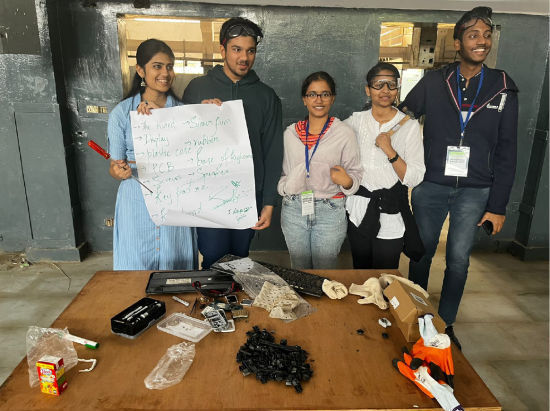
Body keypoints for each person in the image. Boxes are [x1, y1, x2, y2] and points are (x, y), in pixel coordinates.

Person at [400, 6, 519, 350]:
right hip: (431, 186)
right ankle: (418, 316)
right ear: (457, 44)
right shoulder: (435, 82)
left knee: (458, 260)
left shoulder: (503, 86)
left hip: (476, 191)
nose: (481, 42)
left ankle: (446, 323)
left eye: (486, 35)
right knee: (420, 253)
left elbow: (508, 150)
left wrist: (497, 205)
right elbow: (402, 122)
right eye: (472, 35)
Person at [182, 17, 283, 269]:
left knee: (239, 259)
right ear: (223, 50)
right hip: (208, 193)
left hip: (248, 194)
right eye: (237, 49)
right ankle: (212, 307)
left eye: (250, 51)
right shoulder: (197, 89)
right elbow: (181, 144)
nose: (244, 58)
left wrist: (268, 202)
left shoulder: (267, 96)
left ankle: (235, 308)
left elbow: (272, 151)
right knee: (213, 256)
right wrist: (199, 118)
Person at [107, 39, 198, 270]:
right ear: (140, 70)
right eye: (157, 66)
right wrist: (119, 171)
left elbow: (196, 159)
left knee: (175, 267)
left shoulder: (183, 112)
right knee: (135, 269)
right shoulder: (122, 113)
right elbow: (115, 167)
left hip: (174, 198)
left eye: (169, 66)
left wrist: (210, 113)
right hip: (135, 200)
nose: (165, 73)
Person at [344, 63, 426, 270]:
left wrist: (390, 151)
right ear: (368, 89)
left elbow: (415, 177)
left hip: (391, 211)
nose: (385, 90)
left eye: (391, 84)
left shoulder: (409, 126)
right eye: (378, 84)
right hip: (358, 209)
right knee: (360, 275)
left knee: (386, 277)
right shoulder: (354, 122)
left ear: (397, 89)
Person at [277, 72, 362, 269]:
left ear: (332, 98)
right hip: (294, 208)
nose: (319, 100)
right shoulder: (290, 134)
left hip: (329, 210)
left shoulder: (344, 133)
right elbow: (281, 171)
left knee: (325, 272)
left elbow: (356, 173)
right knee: (299, 269)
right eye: (312, 94)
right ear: (304, 99)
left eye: (325, 94)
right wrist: (286, 187)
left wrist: (347, 181)